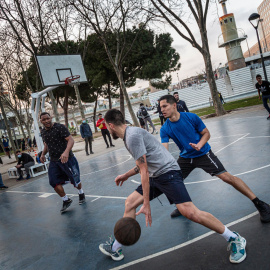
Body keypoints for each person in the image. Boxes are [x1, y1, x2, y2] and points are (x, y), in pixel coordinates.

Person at [99, 109, 247, 264]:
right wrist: (126, 175)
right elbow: (145, 163)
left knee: (190, 212)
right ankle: (116, 247)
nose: (108, 130)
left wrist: (147, 204)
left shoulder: (132, 137)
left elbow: (143, 170)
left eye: (106, 128)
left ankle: (235, 238)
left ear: (110, 126)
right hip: (156, 174)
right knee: (130, 203)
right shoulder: (131, 134)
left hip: (168, 173)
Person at [158, 95, 270, 222]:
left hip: (203, 153)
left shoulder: (191, 117)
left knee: (227, 177)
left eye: (164, 106)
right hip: (185, 158)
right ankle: (182, 205)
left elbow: (206, 133)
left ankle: (260, 204)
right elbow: (164, 150)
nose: (162, 110)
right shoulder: (165, 128)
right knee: (173, 181)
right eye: (160, 107)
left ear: (174, 105)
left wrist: (199, 145)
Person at [40, 112, 85, 213]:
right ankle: (66, 200)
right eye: (44, 119)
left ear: (51, 117)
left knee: (75, 179)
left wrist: (66, 152)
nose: (47, 121)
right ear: (41, 121)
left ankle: (81, 193)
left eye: (48, 118)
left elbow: (71, 140)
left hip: (67, 159)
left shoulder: (60, 127)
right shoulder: (43, 132)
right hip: (54, 161)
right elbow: (47, 144)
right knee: (53, 181)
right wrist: (43, 154)